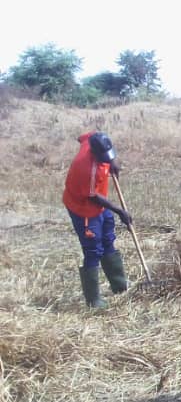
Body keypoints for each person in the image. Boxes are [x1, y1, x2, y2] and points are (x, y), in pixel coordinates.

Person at [62, 131, 131, 308]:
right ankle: (94, 300)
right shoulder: (85, 168)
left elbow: (86, 135)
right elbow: (93, 197)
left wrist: (113, 161)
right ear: (94, 153)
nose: (106, 160)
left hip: (100, 207)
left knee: (108, 240)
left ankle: (119, 285)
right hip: (84, 209)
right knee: (93, 249)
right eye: (104, 158)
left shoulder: (92, 140)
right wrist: (119, 211)